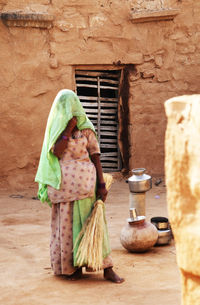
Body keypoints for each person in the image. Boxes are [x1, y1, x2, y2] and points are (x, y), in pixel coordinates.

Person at [35, 89, 124, 283]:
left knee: (94, 226)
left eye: (72, 104)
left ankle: (106, 268)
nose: (69, 108)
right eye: (65, 105)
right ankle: (70, 268)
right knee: (67, 230)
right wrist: (67, 129)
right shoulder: (56, 131)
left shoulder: (86, 129)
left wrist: (102, 183)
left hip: (86, 188)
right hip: (64, 191)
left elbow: (96, 156)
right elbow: (57, 152)